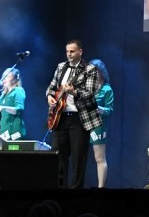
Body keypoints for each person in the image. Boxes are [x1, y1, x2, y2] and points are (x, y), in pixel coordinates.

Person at [46, 39, 102, 189]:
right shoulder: (61, 67)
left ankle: (75, 192)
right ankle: (59, 189)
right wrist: (50, 96)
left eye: (72, 51)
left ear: (80, 52)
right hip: (60, 117)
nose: (69, 54)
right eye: (67, 51)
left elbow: (90, 94)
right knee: (57, 155)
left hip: (79, 118)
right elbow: (51, 87)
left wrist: (74, 92)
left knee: (78, 158)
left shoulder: (90, 69)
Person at [89, 58, 114, 187]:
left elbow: (109, 110)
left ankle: (101, 187)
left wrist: (98, 108)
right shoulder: (89, 88)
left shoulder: (107, 89)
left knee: (99, 158)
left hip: (98, 126)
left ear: (101, 72)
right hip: (84, 124)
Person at [0, 67, 27, 141]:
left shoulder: (18, 90)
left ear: (15, 79)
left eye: (8, 76)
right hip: (4, 130)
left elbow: (19, 109)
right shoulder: (4, 94)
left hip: (14, 130)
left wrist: (3, 107)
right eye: (4, 76)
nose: (4, 79)